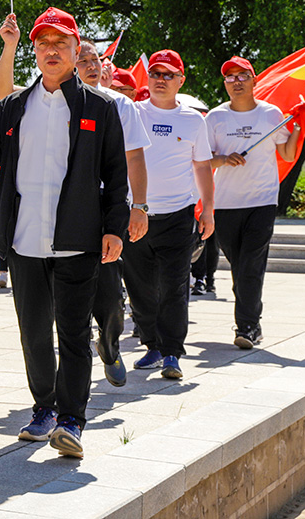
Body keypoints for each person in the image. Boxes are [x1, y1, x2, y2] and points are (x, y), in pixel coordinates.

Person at [0, 7, 128, 459]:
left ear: (77, 51)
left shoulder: (101, 107)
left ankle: (72, 420)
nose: (51, 51)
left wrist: (115, 228)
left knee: (73, 333)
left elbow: (116, 173)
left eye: (61, 44)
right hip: (23, 240)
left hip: (77, 238)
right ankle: (44, 410)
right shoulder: (15, 106)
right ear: (33, 52)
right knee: (34, 332)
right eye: (43, 44)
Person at [120, 49, 215, 381]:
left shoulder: (193, 120)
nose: (161, 80)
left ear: (180, 81)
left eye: (168, 75)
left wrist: (209, 211)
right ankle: (152, 346)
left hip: (178, 214)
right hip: (136, 215)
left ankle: (173, 352)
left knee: (175, 286)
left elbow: (202, 167)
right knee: (140, 286)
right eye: (156, 74)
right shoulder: (131, 112)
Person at [206, 55, 300, 349]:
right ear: (225, 84)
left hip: (262, 201)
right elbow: (201, 161)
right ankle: (250, 318)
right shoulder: (215, 118)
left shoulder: (271, 115)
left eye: (242, 76)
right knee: (239, 267)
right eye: (230, 77)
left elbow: (286, 153)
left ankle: (247, 326)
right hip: (225, 204)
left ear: (254, 80)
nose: (236, 82)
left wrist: (298, 126)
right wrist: (222, 159)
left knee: (250, 264)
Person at [73, 40, 151, 389]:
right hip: (65, 210)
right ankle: (73, 364)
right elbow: (3, 91)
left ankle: (109, 344)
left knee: (109, 296)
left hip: (109, 209)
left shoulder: (120, 105)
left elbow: (135, 158)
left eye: (96, 59)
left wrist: (139, 207)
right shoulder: (52, 102)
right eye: (83, 60)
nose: (91, 65)